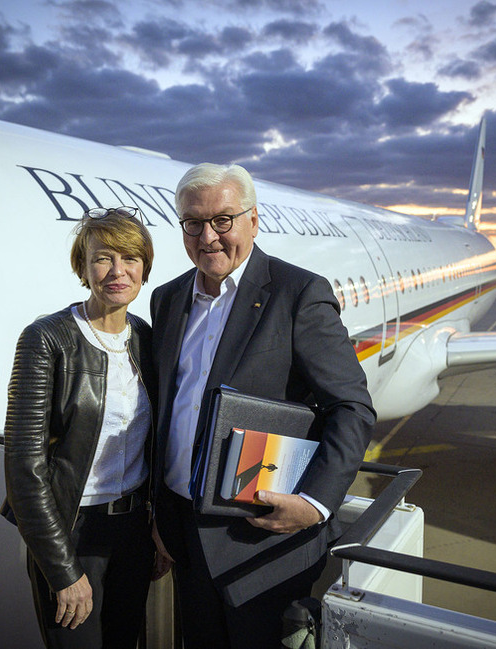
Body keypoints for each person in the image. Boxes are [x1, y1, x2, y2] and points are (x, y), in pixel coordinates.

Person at [150, 163, 375, 648]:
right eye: (193, 222)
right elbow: (168, 411)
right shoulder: (167, 300)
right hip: (184, 537)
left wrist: (314, 504)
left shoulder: (297, 294)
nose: (208, 236)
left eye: (224, 220)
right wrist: (159, 514)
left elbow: (352, 407)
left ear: (254, 219)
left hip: (263, 542)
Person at [3, 207, 156, 649]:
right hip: (71, 529)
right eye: (102, 258)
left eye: (130, 259)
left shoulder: (145, 338)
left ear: (144, 268)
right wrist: (63, 570)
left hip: (132, 534)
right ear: (83, 268)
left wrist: (158, 529)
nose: (117, 271)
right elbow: (23, 465)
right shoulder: (47, 339)